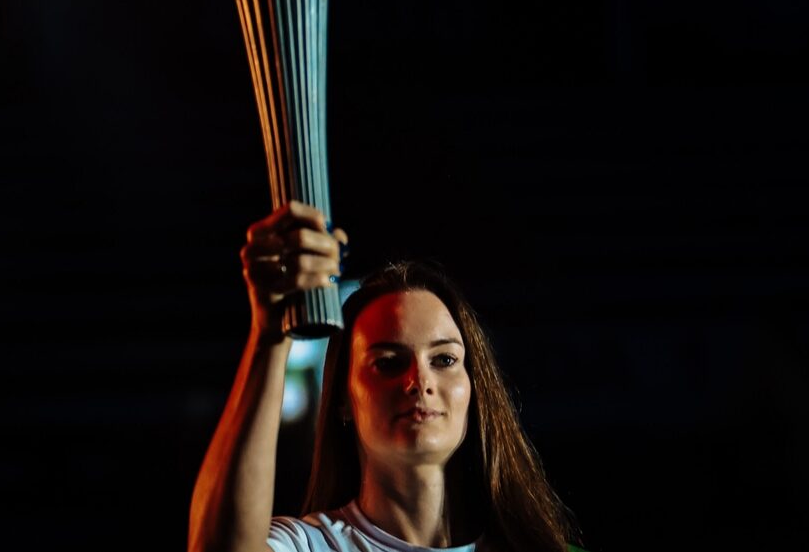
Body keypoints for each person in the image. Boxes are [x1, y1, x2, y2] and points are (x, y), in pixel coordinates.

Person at [189, 201, 583, 552]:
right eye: (388, 363)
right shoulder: (308, 545)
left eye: (444, 359)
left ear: (475, 388)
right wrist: (271, 331)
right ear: (343, 398)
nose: (419, 381)